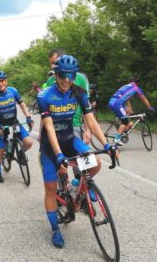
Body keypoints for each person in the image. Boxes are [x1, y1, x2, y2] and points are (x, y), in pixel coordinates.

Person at [37, 55, 118, 248]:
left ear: (75, 75)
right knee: (50, 190)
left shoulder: (80, 92)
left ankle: (76, 185)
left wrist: (107, 145)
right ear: (56, 74)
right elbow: (48, 128)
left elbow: (91, 121)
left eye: (71, 75)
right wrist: (58, 156)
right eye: (63, 75)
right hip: (51, 145)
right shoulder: (44, 96)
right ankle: (55, 229)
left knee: (96, 163)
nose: (66, 80)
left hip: (70, 140)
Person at [0, 71, 34, 183]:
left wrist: (28, 117)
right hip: (2, 127)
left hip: (15, 123)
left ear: (6, 81)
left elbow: (22, 104)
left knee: (29, 142)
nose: (0, 83)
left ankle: (21, 153)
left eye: (2, 81)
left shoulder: (13, 91)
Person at [108, 77, 155, 145]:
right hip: (117, 104)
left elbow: (127, 99)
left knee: (128, 116)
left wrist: (130, 110)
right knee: (125, 122)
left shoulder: (125, 86)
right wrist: (150, 108)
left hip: (112, 102)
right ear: (137, 83)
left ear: (130, 82)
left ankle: (122, 132)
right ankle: (117, 138)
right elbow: (144, 99)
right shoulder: (136, 88)